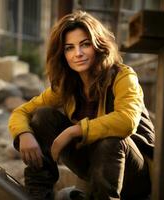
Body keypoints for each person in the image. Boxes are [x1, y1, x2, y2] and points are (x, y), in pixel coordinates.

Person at [8, 10, 155, 200]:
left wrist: (74, 131)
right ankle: (38, 195)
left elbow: (127, 121)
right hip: (94, 167)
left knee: (112, 139)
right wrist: (24, 134)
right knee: (42, 116)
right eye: (69, 48)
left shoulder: (123, 76)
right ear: (62, 54)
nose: (77, 53)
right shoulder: (68, 85)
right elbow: (23, 111)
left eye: (85, 44)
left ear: (98, 46)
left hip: (135, 174)